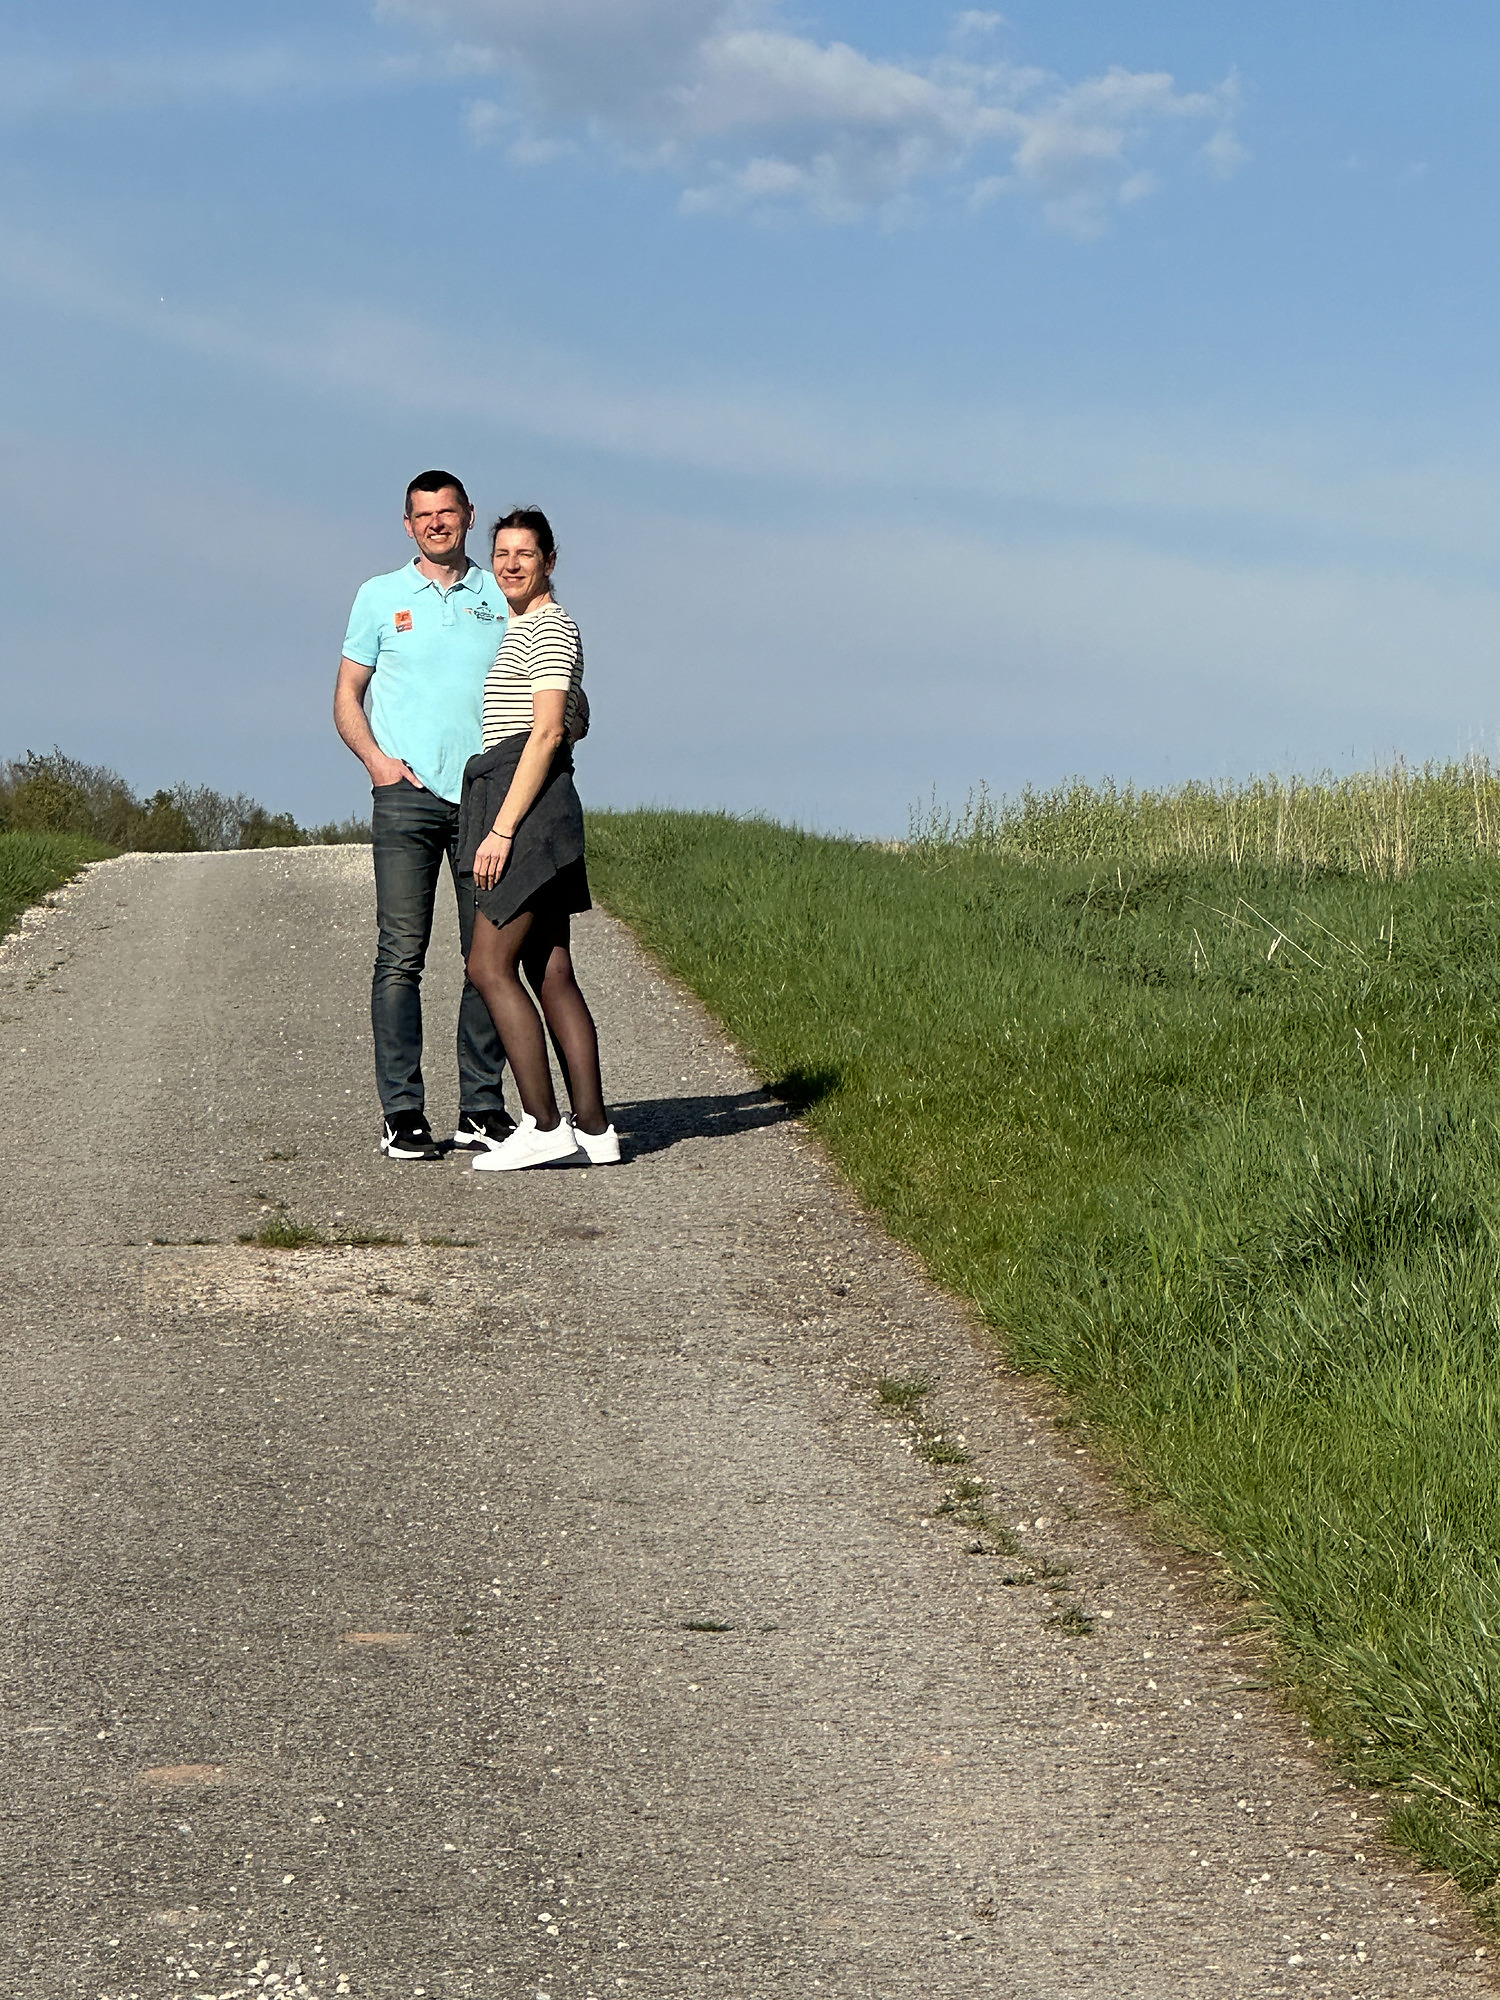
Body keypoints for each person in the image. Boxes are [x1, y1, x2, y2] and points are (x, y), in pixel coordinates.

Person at [333, 470, 514, 1161]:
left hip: (485, 799)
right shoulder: (378, 596)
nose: (437, 523)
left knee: (487, 958)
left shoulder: (500, 593)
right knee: (401, 956)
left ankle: (482, 1109)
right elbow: (347, 695)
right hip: (406, 797)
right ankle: (403, 1114)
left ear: (468, 515)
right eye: (423, 514)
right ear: (407, 524)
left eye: (448, 511)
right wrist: (378, 763)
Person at [458, 508, 619, 1171]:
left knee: (487, 966)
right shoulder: (524, 627)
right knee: (550, 970)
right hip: (538, 801)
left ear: (550, 561)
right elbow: (569, 716)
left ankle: (545, 1124)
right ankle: (596, 1130)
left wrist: (501, 828)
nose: (511, 564)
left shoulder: (549, 626)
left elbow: (549, 729)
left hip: (526, 805)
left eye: (525, 553)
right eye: (501, 553)